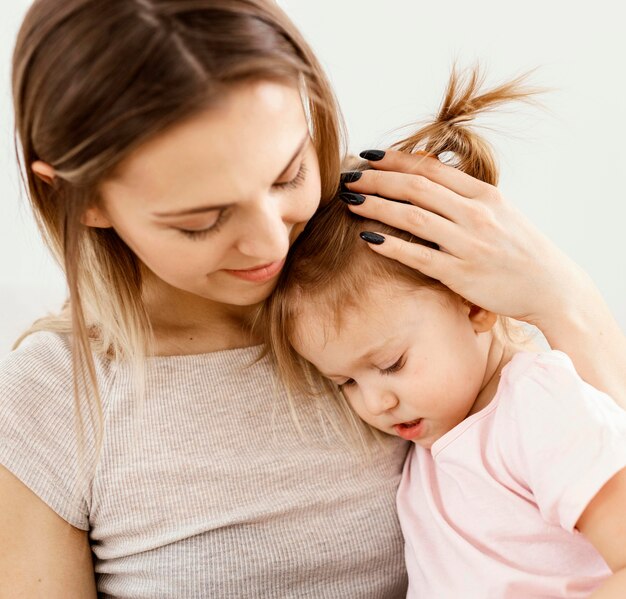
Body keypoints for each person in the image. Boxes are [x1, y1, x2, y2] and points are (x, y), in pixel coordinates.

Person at [0, 1, 624, 597]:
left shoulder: (390, 278)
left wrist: (565, 302)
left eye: (288, 175)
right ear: (85, 201)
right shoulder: (55, 399)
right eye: (201, 220)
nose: (270, 242)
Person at [264, 68, 626, 598]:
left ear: (476, 305)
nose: (376, 401)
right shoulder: (432, 451)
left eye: (390, 365)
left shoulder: (538, 408)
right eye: (344, 382)